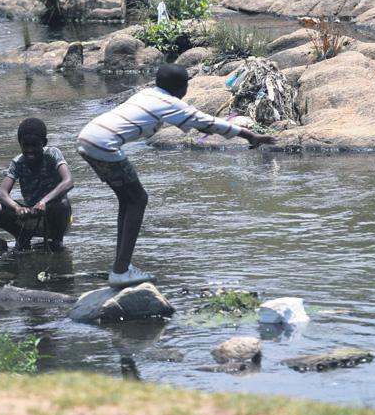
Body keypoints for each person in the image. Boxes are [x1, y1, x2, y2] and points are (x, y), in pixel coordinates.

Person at [77, 63, 275, 288]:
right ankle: (121, 270)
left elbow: (199, 125)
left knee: (128, 200)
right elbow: (205, 121)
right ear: (182, 87)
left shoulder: (148, 94)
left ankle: (122, 267)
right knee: (138, 200)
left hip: (87, 139)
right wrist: (249, 135)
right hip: (104, 145)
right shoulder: (169, 103)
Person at [0, 118, 74, 251]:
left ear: (44, 143)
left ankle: (57, 242)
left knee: (62, 203)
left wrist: (44, 202)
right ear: (20, 144)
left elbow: (68, 181)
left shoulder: (52, 154)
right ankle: (22, 238)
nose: (30, 150)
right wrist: (17, 208)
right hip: (30, 215)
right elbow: (2, 193)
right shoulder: (17, 162)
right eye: (25, 146)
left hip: (55, 215)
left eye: (34, 145)